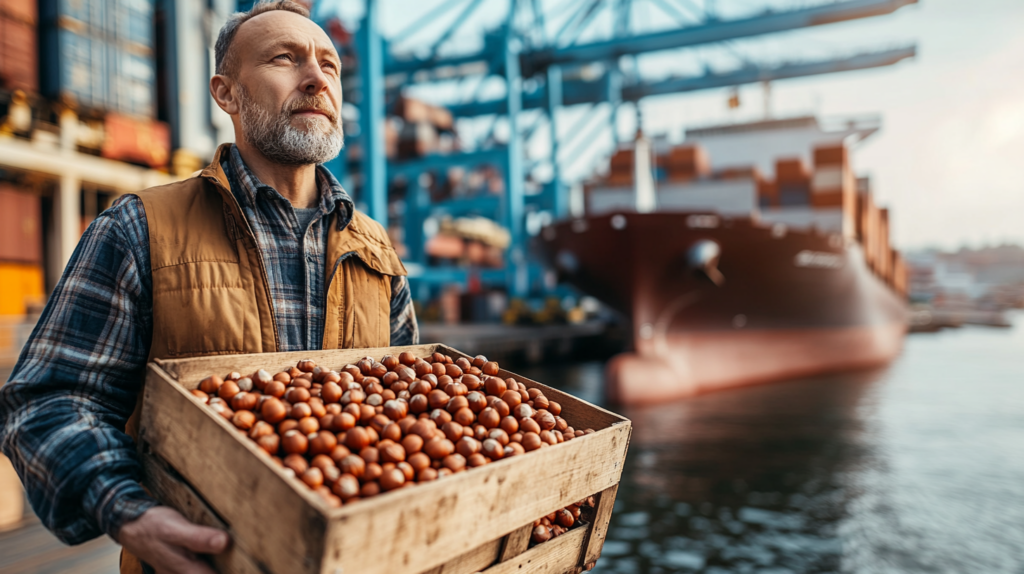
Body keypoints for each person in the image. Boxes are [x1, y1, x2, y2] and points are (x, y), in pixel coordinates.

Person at [0, 2, 417, 572]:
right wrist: (128, 511)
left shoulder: (377, 250)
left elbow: (412, 408)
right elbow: (47, 403)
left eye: (330, 65)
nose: (317, 78)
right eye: (284, 59)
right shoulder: (138, 228)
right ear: (226, 94)